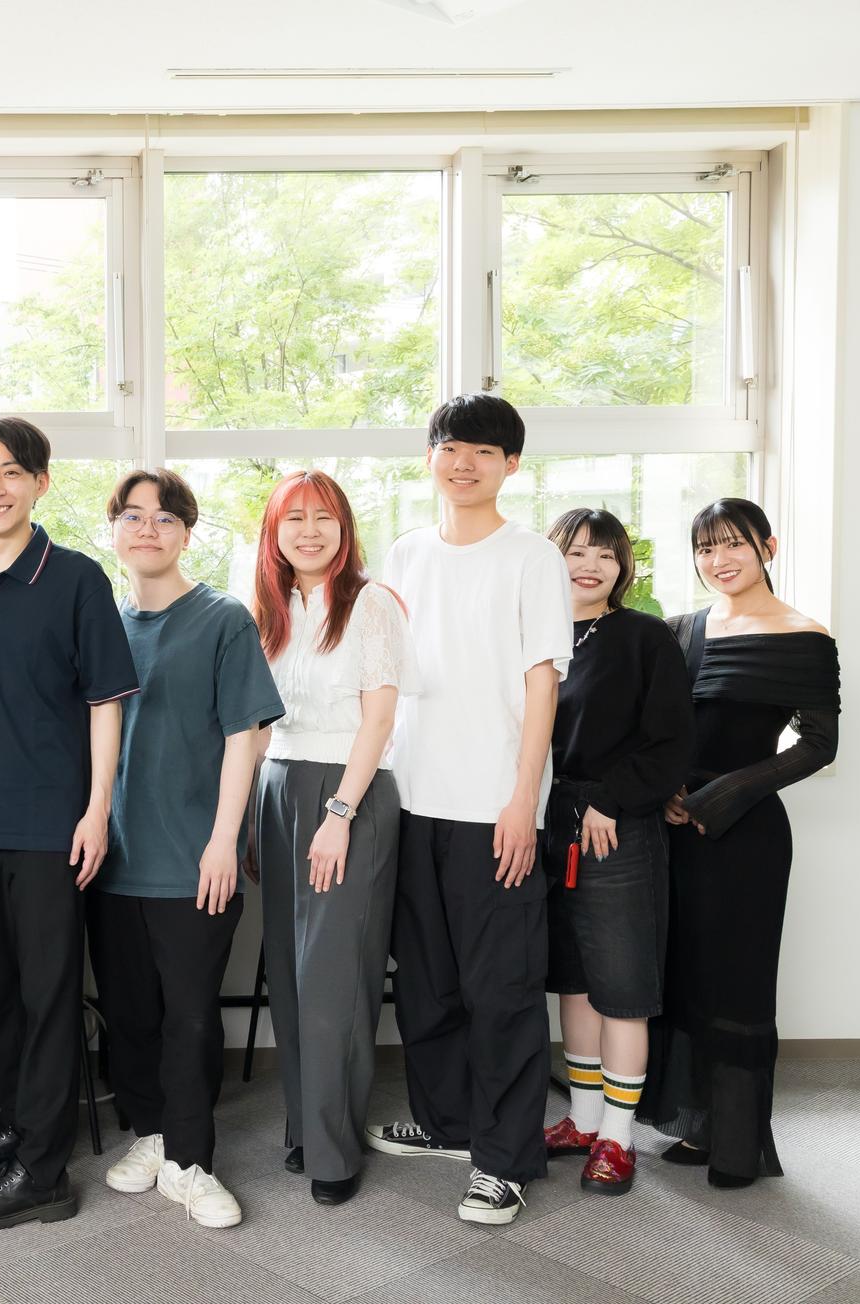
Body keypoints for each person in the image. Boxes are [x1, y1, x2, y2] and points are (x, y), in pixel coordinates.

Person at [364, 394, 573, 1226]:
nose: (465, 463)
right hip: (411, 799)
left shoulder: (532, 557)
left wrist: (523, 800)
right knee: (426, 984)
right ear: (430, 458)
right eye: (452, 447)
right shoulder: (405, 553)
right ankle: (448, 1122)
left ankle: (505, 1160)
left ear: (511, 465)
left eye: (485, 451)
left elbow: (542, 683)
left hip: (495, 807)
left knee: (503, 991)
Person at [0, 420, 139, 1230]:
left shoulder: (77, 578)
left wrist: (96, 810)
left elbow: (105, 704)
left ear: (40, 483)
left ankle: (43, 1173)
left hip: (54, 824)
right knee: (0, 994)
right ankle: (16, 1127)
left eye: (12, 472)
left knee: (50, 997)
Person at [92, 469, 283, 1231]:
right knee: (131, 1014)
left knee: (192, 1017)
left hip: (194, 858)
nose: (148, 529)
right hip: (112, 858)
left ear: (186, 533)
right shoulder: (101, 624)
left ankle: (191, 1161)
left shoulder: (221, 618)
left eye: (165, 517)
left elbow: (247, 735)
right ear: (113, 530)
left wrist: (223, 842)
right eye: (133, 516)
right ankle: (151, 1132)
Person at [641, 498, 839, 1189]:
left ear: (767, 548)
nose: (718, 560)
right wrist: (667, 791)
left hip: (746, 832)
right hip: (672, 828)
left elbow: (818, 744)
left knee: (738, 983)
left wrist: (723, 795)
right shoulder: (680, 630)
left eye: (733, 544)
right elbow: (658, 728)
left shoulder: (804, 635)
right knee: (683, 975)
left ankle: (737, 1144)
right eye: (705, 548)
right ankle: (698, 1125)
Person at [250, 469, 416, 1207]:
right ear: (274, 533)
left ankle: (335, 1151)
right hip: (278, 789)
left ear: (345, 528)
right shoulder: (269, 608)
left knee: (333, 980)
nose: (309, 531)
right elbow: (258, 724)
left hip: (347, 792)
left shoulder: (370, 603)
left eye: (324, 517)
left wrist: (339, 814)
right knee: (289, 974)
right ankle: (305, 1127)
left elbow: (379, 720)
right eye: (294, 518)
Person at [536, 509, 693, 1196]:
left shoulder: (643, 637)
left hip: (616, 824)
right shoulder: (533, 635)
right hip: (546, 824)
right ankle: (584, 1118)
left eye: (605, 554)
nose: (590, 565)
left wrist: (611, 800)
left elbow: (671, 740)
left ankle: (619, 1138)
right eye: (575, 552)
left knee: (622, 989)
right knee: (573, 981)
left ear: (623, 567)